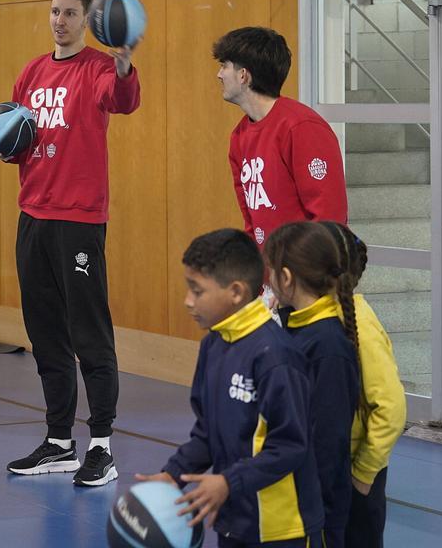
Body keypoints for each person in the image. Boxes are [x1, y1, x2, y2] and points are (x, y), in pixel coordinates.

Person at [0, 0, 140, 487]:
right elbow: (21, 137)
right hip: (33, 214)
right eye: (55, 12)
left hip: (79, 219)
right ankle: (59, 442)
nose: (60, 21)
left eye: (70, 13)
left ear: (86, 20)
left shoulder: (98, 68)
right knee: (45, 333)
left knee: (89, 331)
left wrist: (124, 63)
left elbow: (122, 101)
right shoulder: (32, 72)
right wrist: (4, 145)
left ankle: (101, 446)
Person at [136, 229, 324, 546]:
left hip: (282, 529)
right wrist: (173, 474)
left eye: (197, 291)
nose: (187, 301)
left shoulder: (276, 356)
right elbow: (207, 432)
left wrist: (228, 482)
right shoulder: (213, 345)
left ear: (236, 292)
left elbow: (290, 445)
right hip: (232, 519)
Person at [263, 221, 360, 548]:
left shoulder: (328, 348)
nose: (268, 279)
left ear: (286, 278)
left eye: (271, 271)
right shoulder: (295, 328)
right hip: (285, 504)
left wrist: (304, 505)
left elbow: (328, 443)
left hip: (309, 514)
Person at [214, 28, 346, 250]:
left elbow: (329, 218)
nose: (219, 75)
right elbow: (251, 219)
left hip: (306, 267)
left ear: (243, 75)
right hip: (268, 268)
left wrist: (306, 269)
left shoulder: (301, 127)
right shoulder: (239, 136)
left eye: (224, 66)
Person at [319, 221, 406, 548]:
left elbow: (391, 409)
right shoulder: (314, 320)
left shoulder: (361, 325)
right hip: (329, 471)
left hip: (356, 477)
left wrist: (363, 474)